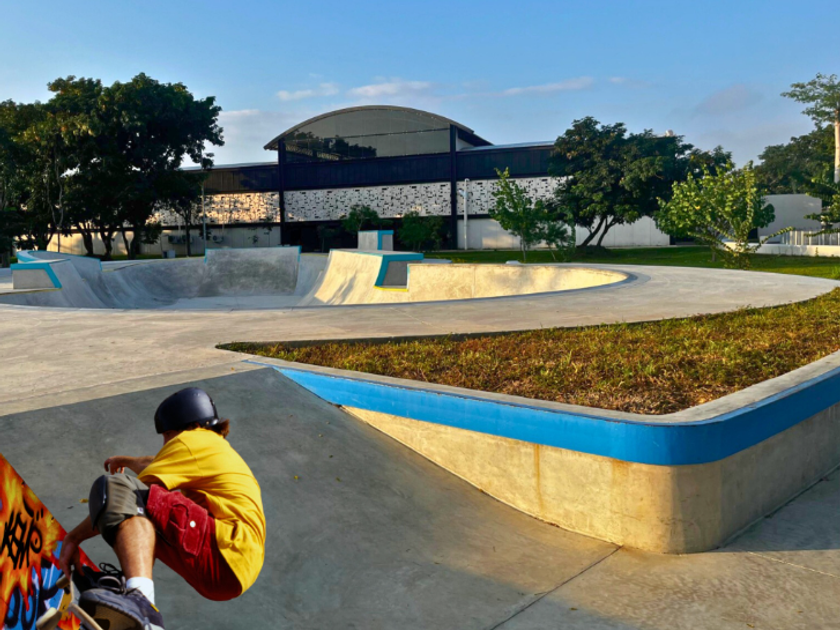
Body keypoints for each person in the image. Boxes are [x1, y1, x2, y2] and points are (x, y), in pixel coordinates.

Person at [59, 388, 266, 630]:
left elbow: (125, 499)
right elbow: (154, 462)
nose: (166, 443)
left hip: (225, 550)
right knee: (151, 516)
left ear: (189, 427)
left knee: (119, 489)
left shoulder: (192, 440)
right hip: (232, 571)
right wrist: (125, 461)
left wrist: (73, 538)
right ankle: (128, 599)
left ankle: (141, 606)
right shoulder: (211, 448)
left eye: (167, 435)